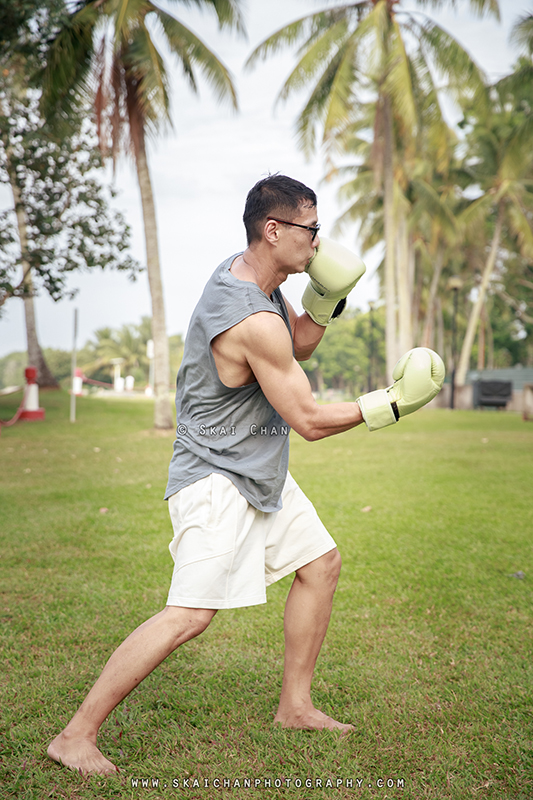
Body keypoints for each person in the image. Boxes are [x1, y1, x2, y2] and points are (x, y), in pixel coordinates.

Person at [47, 174, 444, 775]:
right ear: (274, 229)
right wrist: (390, 403)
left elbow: (299, 347)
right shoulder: (248, 315)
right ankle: (75, 735)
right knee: (189, 615)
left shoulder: (255, 277)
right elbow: (307, 419)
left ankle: (296, 705)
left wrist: (325, 299)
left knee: (321, 565)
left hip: (257, 466)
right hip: (216, 478)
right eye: (311, 230)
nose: (318, 243)